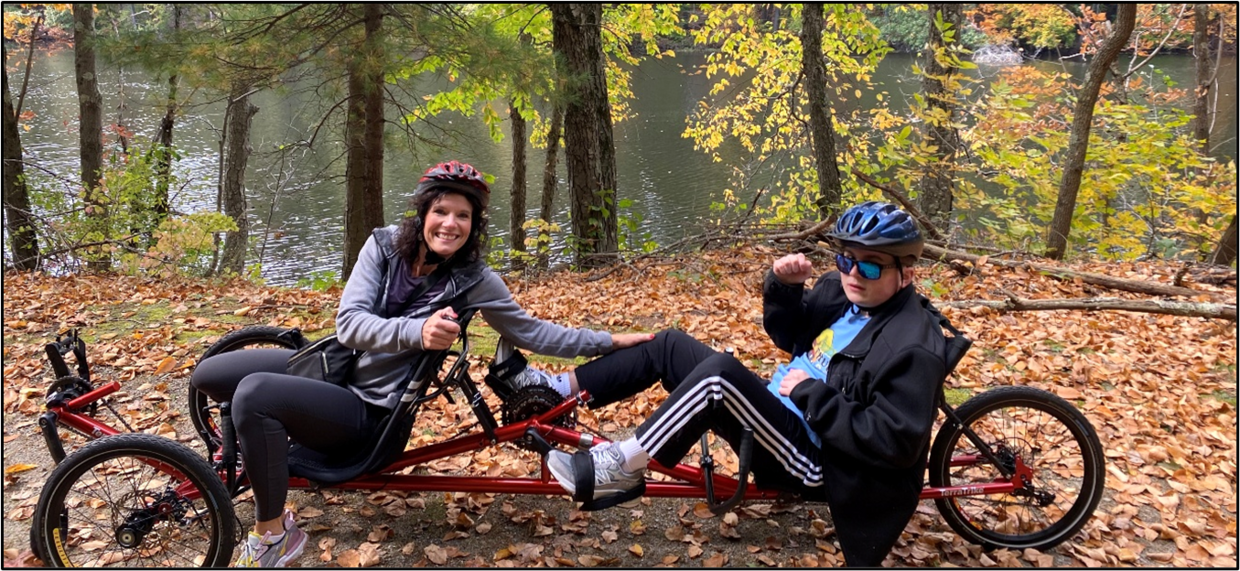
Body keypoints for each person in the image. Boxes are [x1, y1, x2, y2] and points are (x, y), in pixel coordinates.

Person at [190, 160, 653, 568]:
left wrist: (608, 340)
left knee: (253, 394)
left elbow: (532, 333)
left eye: (463, 216)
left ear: (475, 223)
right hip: (338, 368)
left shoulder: (475, 280)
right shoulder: (384, 247)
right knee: (210, 374)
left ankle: (273, 534)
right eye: (441, 212)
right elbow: (349, 324)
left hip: (370, 414)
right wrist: (416, 331)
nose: (450, 224)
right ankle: (260, 448)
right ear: (423, 213)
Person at [517, 201, 949, 567]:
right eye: (845, 259)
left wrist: (808, 393)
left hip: (821, 460)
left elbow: (895, 444)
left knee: (719, 377)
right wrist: (784, 287)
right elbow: (790, 337)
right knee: (667, 345)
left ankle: (620, 467)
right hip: (786, 414)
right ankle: (559, 388)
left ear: (906, 274)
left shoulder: (912, 345)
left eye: (869, 265)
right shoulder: (845, 292)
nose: (853, 273)